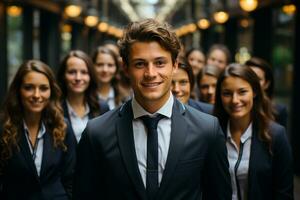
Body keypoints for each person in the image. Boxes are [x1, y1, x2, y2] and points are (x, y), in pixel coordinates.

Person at [73, 18, 231, 200]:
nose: (150, 73)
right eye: (140, 64)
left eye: (160, 63)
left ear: (175, 65)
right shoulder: (97, 133)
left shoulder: (206, 129)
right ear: (125, 68)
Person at [214, 64, 293, 200]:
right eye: (227, 93)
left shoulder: (276, 135)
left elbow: (284, 192)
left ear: (255, 92)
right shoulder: (212, 134)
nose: (235, 100)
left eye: (242, 92)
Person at [0, 60, 76, 200]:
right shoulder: (4, 128)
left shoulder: (62, 127)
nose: (36, 95)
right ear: (18, 90)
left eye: (43, 88)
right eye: (29, 87)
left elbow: (72, 178)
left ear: (51, 91)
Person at [57, 50, 109, 143]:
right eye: (72, 72)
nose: (78, 78)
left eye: (84, 72)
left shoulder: (102, 107)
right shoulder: (55, 109)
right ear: (63, 76)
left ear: (91, 76)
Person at [245, 57, 288, 128]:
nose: (252, 82)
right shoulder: (236, 105)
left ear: (266, 84)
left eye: (258, 79)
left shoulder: (278, 111)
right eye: (248, 77)